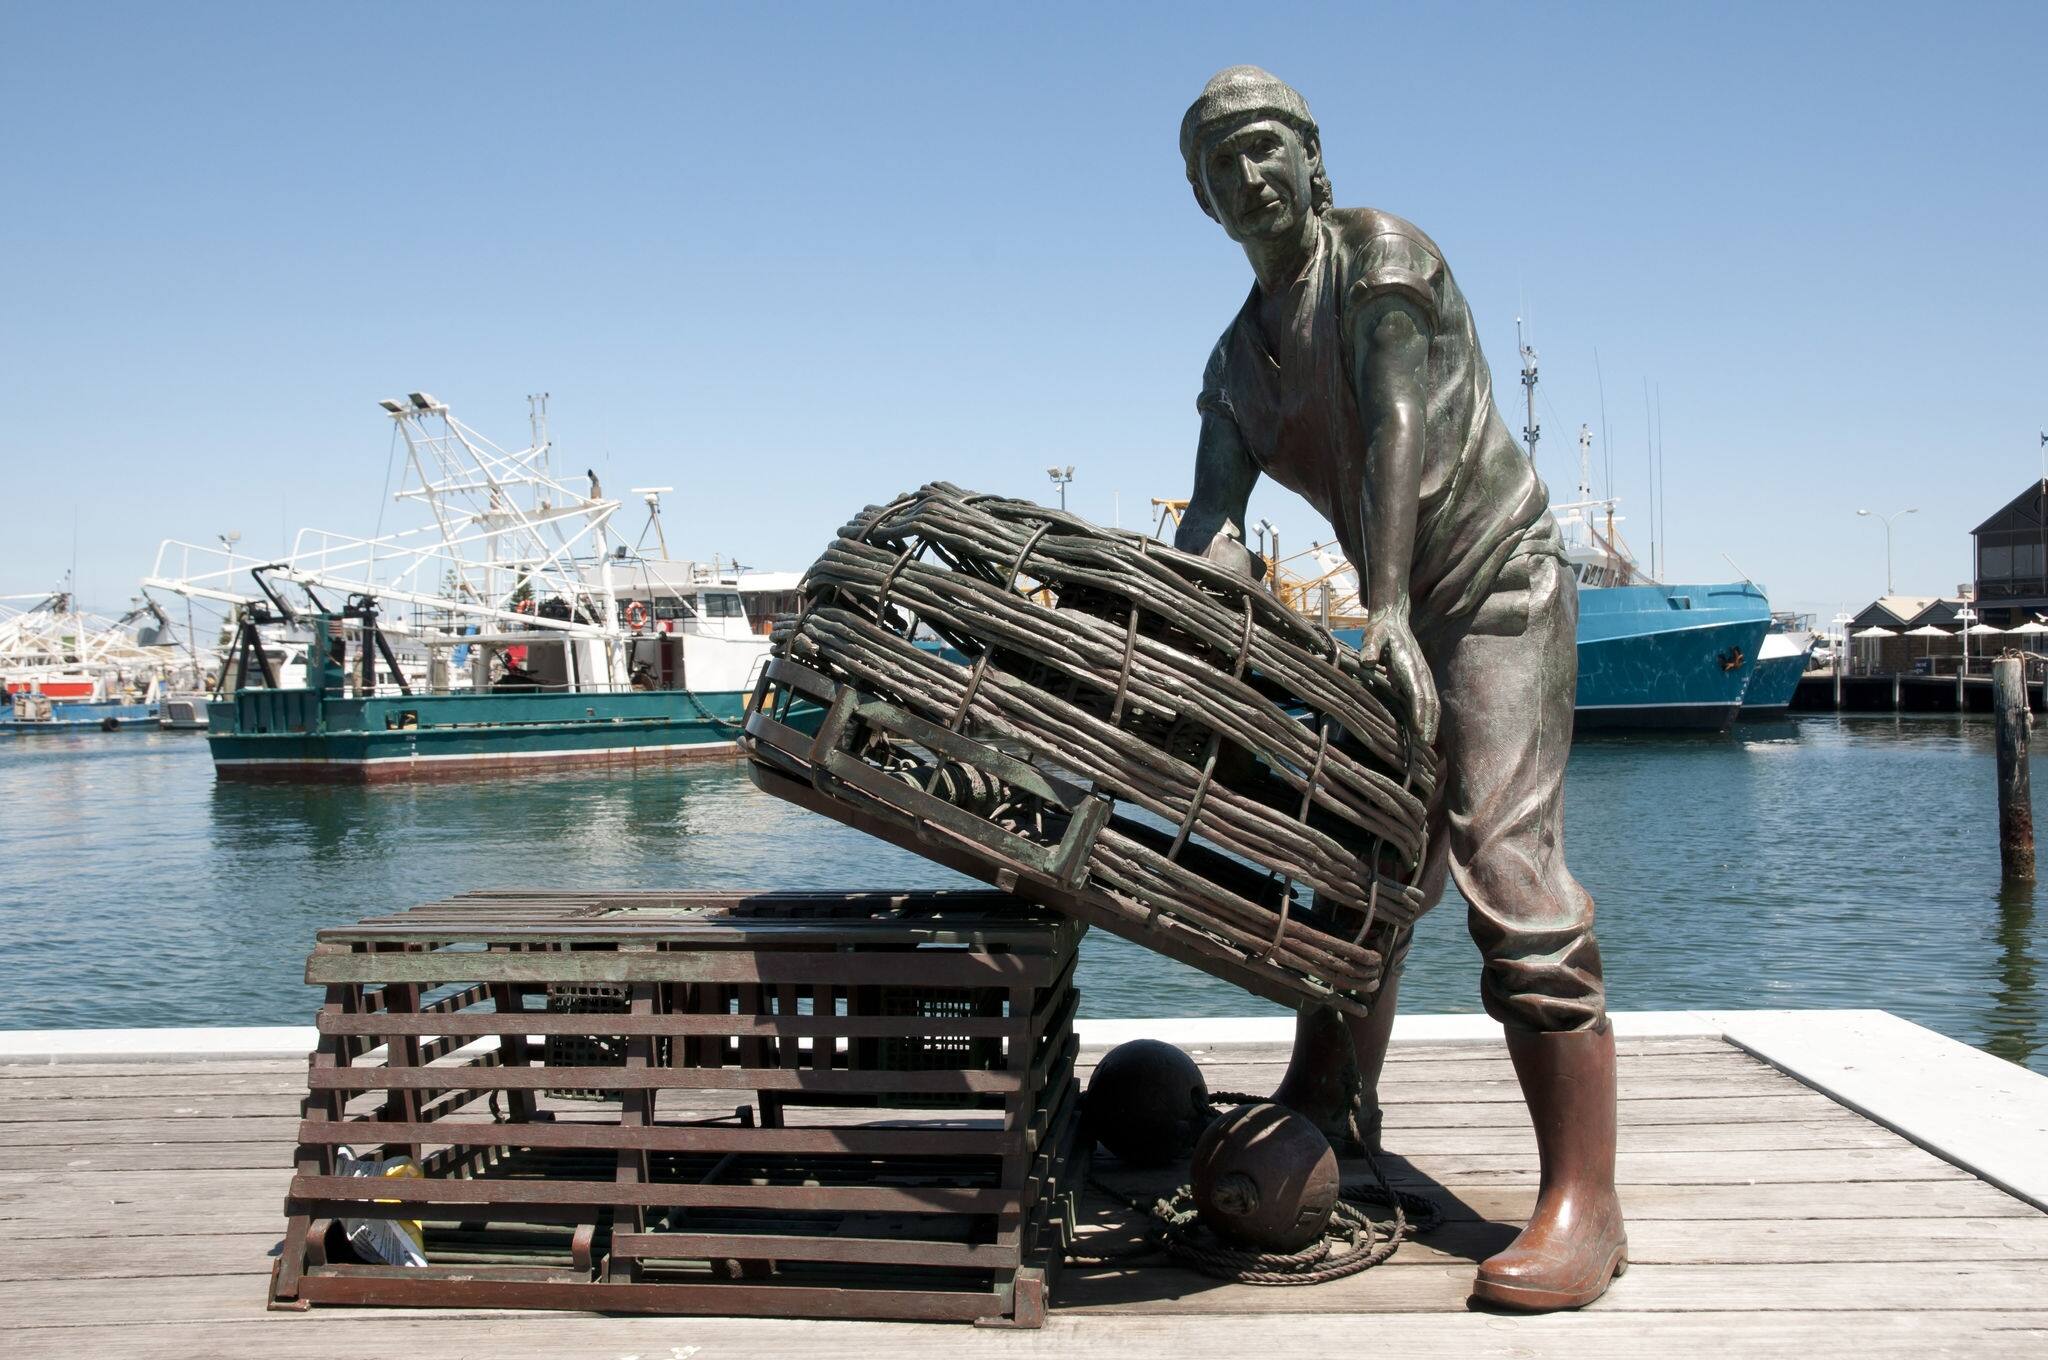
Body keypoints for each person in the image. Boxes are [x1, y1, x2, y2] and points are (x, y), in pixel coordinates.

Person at [1172, 65, 1625, 1311]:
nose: (1247, 175)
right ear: (1202, 204)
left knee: (1504, 862)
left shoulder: (1381, 259)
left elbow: (1393, 429)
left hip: (1487, 584)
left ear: (1313, 160)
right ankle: (1326, 1103)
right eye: (1220, 166)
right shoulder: (1234, 362)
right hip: (1395, 615)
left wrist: (1382, 610)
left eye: (1265, 148)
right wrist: (1193, 602)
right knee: (1358, 866)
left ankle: (1584, 1203)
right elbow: (1211, 516)